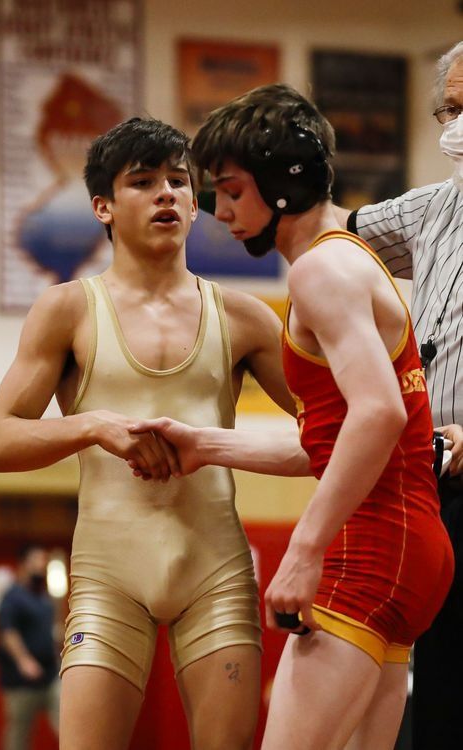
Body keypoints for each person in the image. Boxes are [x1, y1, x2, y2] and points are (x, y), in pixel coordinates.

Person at [127, 84, 455, 750]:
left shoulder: (320, 273)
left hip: (371, 546)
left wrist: (303, 551)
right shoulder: (351, 261)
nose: (219, 212)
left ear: (282, 184)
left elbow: (377, 415)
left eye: (231, 190)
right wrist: (207, 444)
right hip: (411, 548)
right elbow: (339, 444)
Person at [0, 117, 297, 750]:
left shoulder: (245, 317)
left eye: (180, 181)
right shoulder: (67, 309)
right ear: (102, 205)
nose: (168, 195)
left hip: (215, 570)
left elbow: (335, 434)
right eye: (144, 182)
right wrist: (96, 425)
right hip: (107, 574)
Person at [340, 40, 463, 750]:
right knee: (433, 683)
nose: (453, 123)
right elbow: (333, 233)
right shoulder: (431, 209)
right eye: (448, 109)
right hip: (427, 481)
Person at [0, 544, 60, 750]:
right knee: (19, 734)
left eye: (45, 560)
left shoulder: (44, 598)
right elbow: (8, 632)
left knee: (67, 723)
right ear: (24, 563)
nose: (42, 565)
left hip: (50, 676)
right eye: (37, 560)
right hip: (21, 681)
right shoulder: (12, 597)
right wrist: (24, 660)